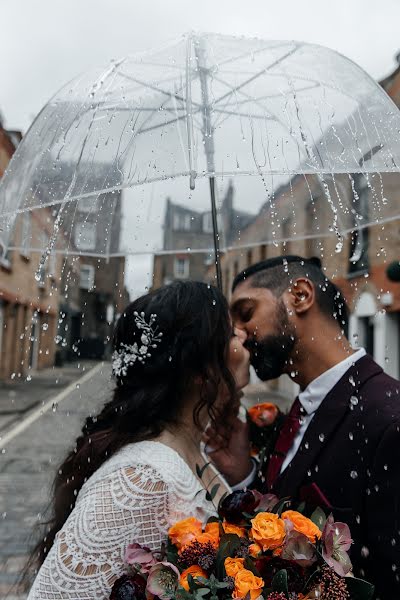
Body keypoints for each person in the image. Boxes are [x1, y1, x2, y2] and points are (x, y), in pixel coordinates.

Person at [26, 280, 250, 599]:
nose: (244, 341)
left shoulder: (195, 450)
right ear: (201, 368)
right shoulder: (140, 483)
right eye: (231, 335)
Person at [208, 255, 400, 599]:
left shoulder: (388, 418)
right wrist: (244, 475)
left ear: (300, 295)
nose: (237, 332)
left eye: (246, 312)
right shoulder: (298, 412)